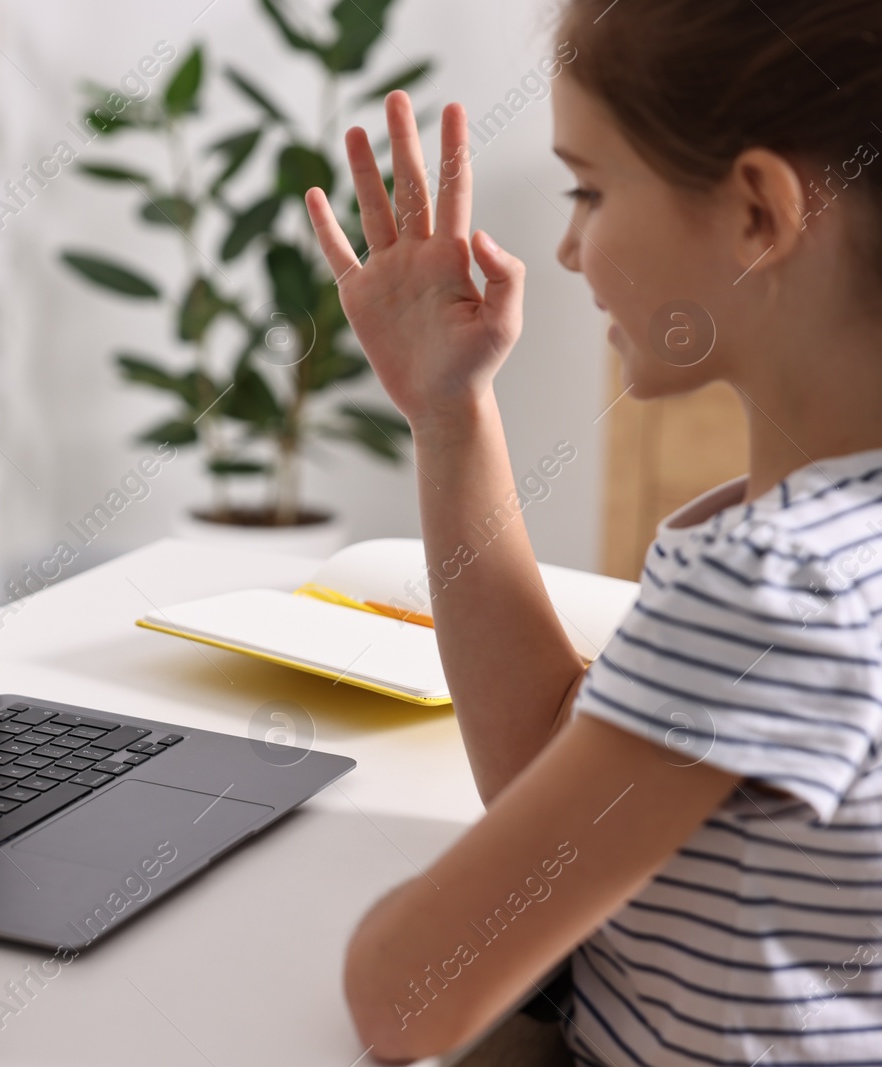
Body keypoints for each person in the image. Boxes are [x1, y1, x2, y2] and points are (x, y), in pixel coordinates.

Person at [305, 1, 882, 1063]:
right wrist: (449, 411)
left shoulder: (771, 584)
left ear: (756, 211)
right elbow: (553, 764)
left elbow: (404, 995)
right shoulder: (821, 538)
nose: (565, 247)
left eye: (591, 188)